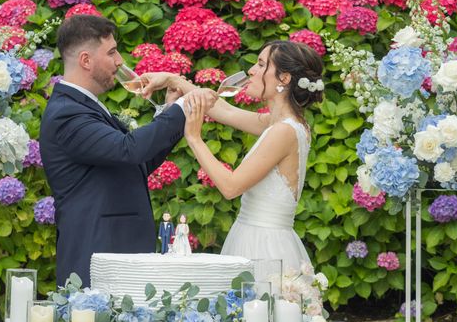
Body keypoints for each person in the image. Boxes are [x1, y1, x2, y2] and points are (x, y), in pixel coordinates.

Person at [39, 15, 215, 285]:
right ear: (86, 60)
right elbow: (128, 149)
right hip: (95, 254)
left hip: (118, 253)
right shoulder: (67, 114)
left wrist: (170, 113)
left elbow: (137, 163)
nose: (120, 60)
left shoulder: (85, 106)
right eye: (111, 52)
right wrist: (183, 108)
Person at [141, 41, 323, 271]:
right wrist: (172, 80)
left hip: (264, 248)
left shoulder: (283, 131)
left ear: (284, 79)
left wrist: (194, 137)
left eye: (261, 64)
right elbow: (224, 111)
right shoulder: (283, 123)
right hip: (255, 236)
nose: (251, 71)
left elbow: (230, 187)